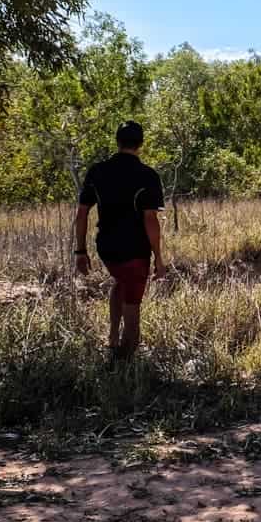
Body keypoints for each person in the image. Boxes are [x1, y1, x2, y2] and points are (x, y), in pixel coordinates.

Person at [73, 121, 166, 360]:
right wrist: (159, 257)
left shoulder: (97, 171)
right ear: (141, 144)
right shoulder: (147, 175)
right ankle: (120, 367)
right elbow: (150, 220)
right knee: (133, 317)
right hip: (135, 251)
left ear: (118, 141)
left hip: (107, 249)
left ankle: (112, 339)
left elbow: (82, 213)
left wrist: (80, 251)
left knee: (119, 280)